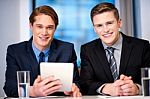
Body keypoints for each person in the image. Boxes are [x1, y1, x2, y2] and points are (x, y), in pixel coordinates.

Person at [3, 5, 81, 97]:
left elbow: (77, 83)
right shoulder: (15, 51)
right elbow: (9, 87)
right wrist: (32, 91)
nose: (44, 32)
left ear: (55, 28)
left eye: (49, 27)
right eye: (39, 26)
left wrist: (71, 89)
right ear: (31, 26)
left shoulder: (67, 49)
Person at [79, 2, 150, 96]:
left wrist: (138, 89)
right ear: (95, 29)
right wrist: (106, 88)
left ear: (119, 23)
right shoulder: (87, 50)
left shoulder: (142, 46)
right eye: (99, 25)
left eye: (109, 23)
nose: (105, 30)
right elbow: (84, 84)